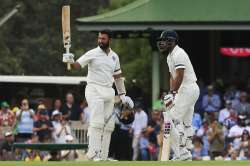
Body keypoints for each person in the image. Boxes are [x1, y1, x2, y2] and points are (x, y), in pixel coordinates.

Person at [63, 30, 134, 161]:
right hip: (94, 89)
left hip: (108, 91)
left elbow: (118, 77)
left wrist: (123, 95)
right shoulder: (92, 53)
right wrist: (69, 60)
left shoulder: (114, 57)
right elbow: (76, 65)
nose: (100, 41)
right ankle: (93, 153)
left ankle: (103, 156)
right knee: (97, 122)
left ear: (109, 40)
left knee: (109, 125)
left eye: (103, 39)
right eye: (99, 38)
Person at [157, 29, 200, 160]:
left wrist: (174, 92)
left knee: (170, 120)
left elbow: (180, 76)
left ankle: (181, 153)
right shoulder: (170, 56)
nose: (161, 44)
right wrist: (172, 93)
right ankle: (184, 152)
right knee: (185, 123)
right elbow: (172, 77)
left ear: (171, 41)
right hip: (185, 90)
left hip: (187, 88)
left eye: (164, 41)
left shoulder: (179, 54)